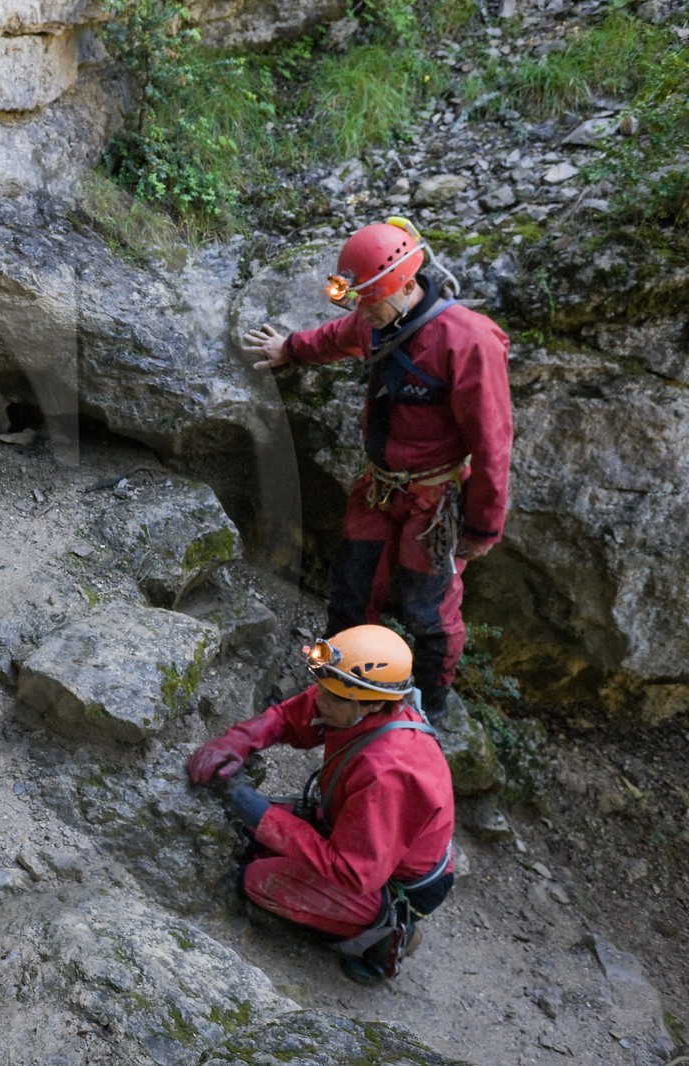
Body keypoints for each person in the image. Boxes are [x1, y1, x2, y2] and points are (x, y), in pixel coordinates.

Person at [243, 218, 512, 717]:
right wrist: (290, 349)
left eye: (370, 302)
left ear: (408, 285)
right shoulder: (378, 319)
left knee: (426, 612)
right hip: (379, 491)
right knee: (348, 595)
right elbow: (340, 334)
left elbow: (493, 443)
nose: (361, 313)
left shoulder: (467, 341)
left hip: (434, 504)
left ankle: (430, 706)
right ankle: (330, 689)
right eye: (358, 303)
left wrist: (482, 528)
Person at [186, 624, 455, 984]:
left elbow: (352, 871)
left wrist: (265, 818)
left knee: (260, 880)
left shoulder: (389, 774)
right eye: (323, 688)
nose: (320, 700)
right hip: (353, 836)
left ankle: (387, 934)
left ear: (374, 701)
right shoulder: (358, 708)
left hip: (390, 882)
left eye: (333, 696)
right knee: (250, 837)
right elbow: (288, 719)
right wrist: (237, 742)